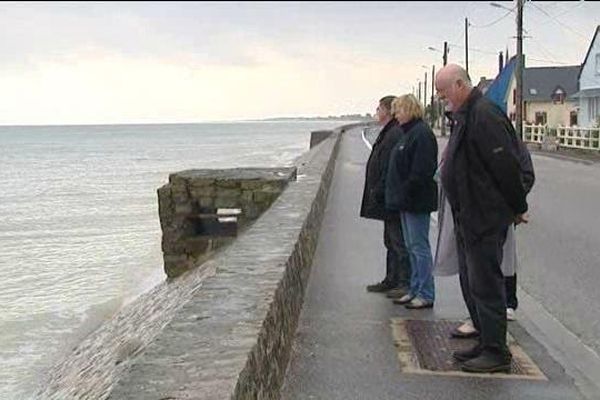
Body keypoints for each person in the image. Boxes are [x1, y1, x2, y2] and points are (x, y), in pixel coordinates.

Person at [435, 64, 528, 373]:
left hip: (484, 217)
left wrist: (517, 206)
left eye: (443, 91)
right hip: (468, 215)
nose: (440, 98)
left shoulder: (484, 115)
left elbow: (507, 167)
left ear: (460, 85)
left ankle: (496, 352)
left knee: (487, 285)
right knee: (473, 283)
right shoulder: (465, 115)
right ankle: (485, 341)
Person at [385, 94, 438, 309]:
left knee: (419, 247)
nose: (396, 115)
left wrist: (405, 191)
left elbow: (422, 171)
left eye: (398, 110)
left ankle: (425, 292)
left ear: (409, 110)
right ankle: (415, 288)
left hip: (416, 201)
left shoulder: (421, 134)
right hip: (406, 201)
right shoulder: (409, 133)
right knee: (411, 246)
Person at [361, 96, 412, 296]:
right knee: (391, 240)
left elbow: (391, 167)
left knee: (398, 242)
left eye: (379, 108)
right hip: (387, 196)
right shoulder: (392, 131)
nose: (377, 111)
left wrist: (380, 190)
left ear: (388, 111)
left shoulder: (394, 133)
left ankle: (403, 282)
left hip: (391, 197)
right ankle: (392, 279)